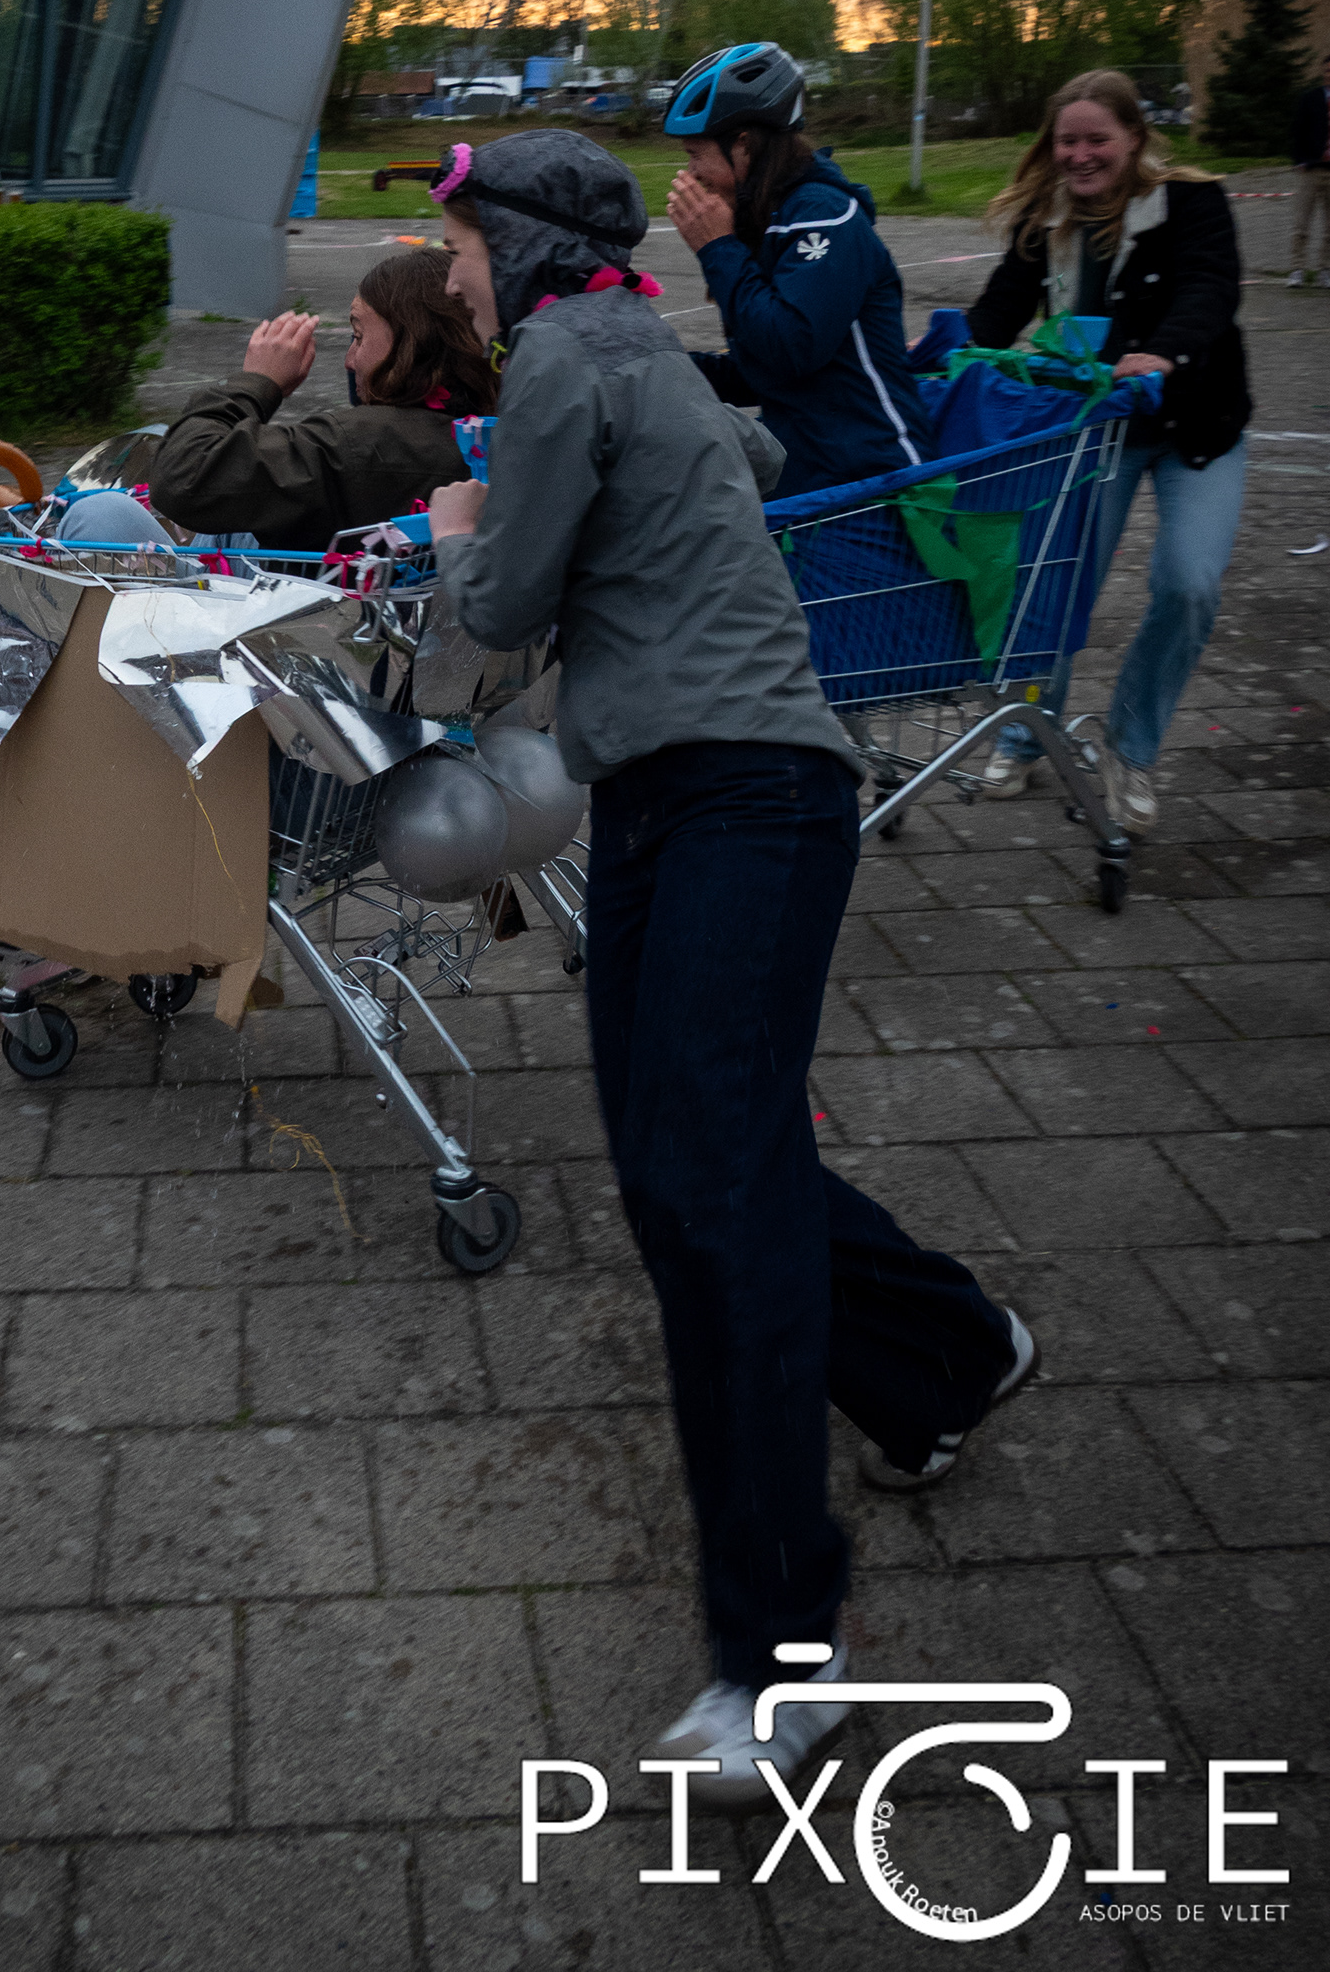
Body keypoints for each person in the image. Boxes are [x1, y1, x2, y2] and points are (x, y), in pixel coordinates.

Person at [423, 130, 1034, 1808]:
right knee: (691, 1165)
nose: (457, 282)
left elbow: (505, 604)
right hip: (676, 790)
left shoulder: (566, 349)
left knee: (710, 1191)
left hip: (743, 795)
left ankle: (781, 1657)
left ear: (522, 246)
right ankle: (949, 1350)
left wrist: (462, 523)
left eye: (464, 251)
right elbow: (751, 447)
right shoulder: (629, 344)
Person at [967, 68, 1251, 833]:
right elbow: (1001, 305)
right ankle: (1028, 735)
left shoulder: (1191, 204)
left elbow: (1211, 289)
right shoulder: (1047, 217)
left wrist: (1163, 354)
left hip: (1198, 427)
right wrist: (941, 356)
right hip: (1098, 430)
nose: (1080, 155)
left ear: (1134, 138)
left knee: (1189, 584)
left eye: (1098, 139)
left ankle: (1132, 748)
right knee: (1053, 584)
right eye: (1068, 141)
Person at [662, 42, 925, 496]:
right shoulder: (768, 220)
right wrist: (663, 369)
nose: (691, 173)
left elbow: (790, 349)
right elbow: (761, 371)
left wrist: (718, 248)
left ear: (744, 145)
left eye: (696, 154)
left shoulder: (823, 214)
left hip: (876, 482)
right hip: (812, 477)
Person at [147, 246, 493, 551]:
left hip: (309, 597)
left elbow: (184, 477)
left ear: (412, 344)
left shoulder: (353, 444)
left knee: (115, 508)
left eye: (358, 336)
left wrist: (257, 382)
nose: (349, 360)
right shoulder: (495, 431)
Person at [1288, 45, 1330, 286]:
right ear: (1323, 72)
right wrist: (1299, 160)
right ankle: (1297, 269)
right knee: (1301, 222)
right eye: (1328, 70)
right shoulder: (1310, 98)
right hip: (1311, 168)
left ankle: (1325, 269)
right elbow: (1298, 130)